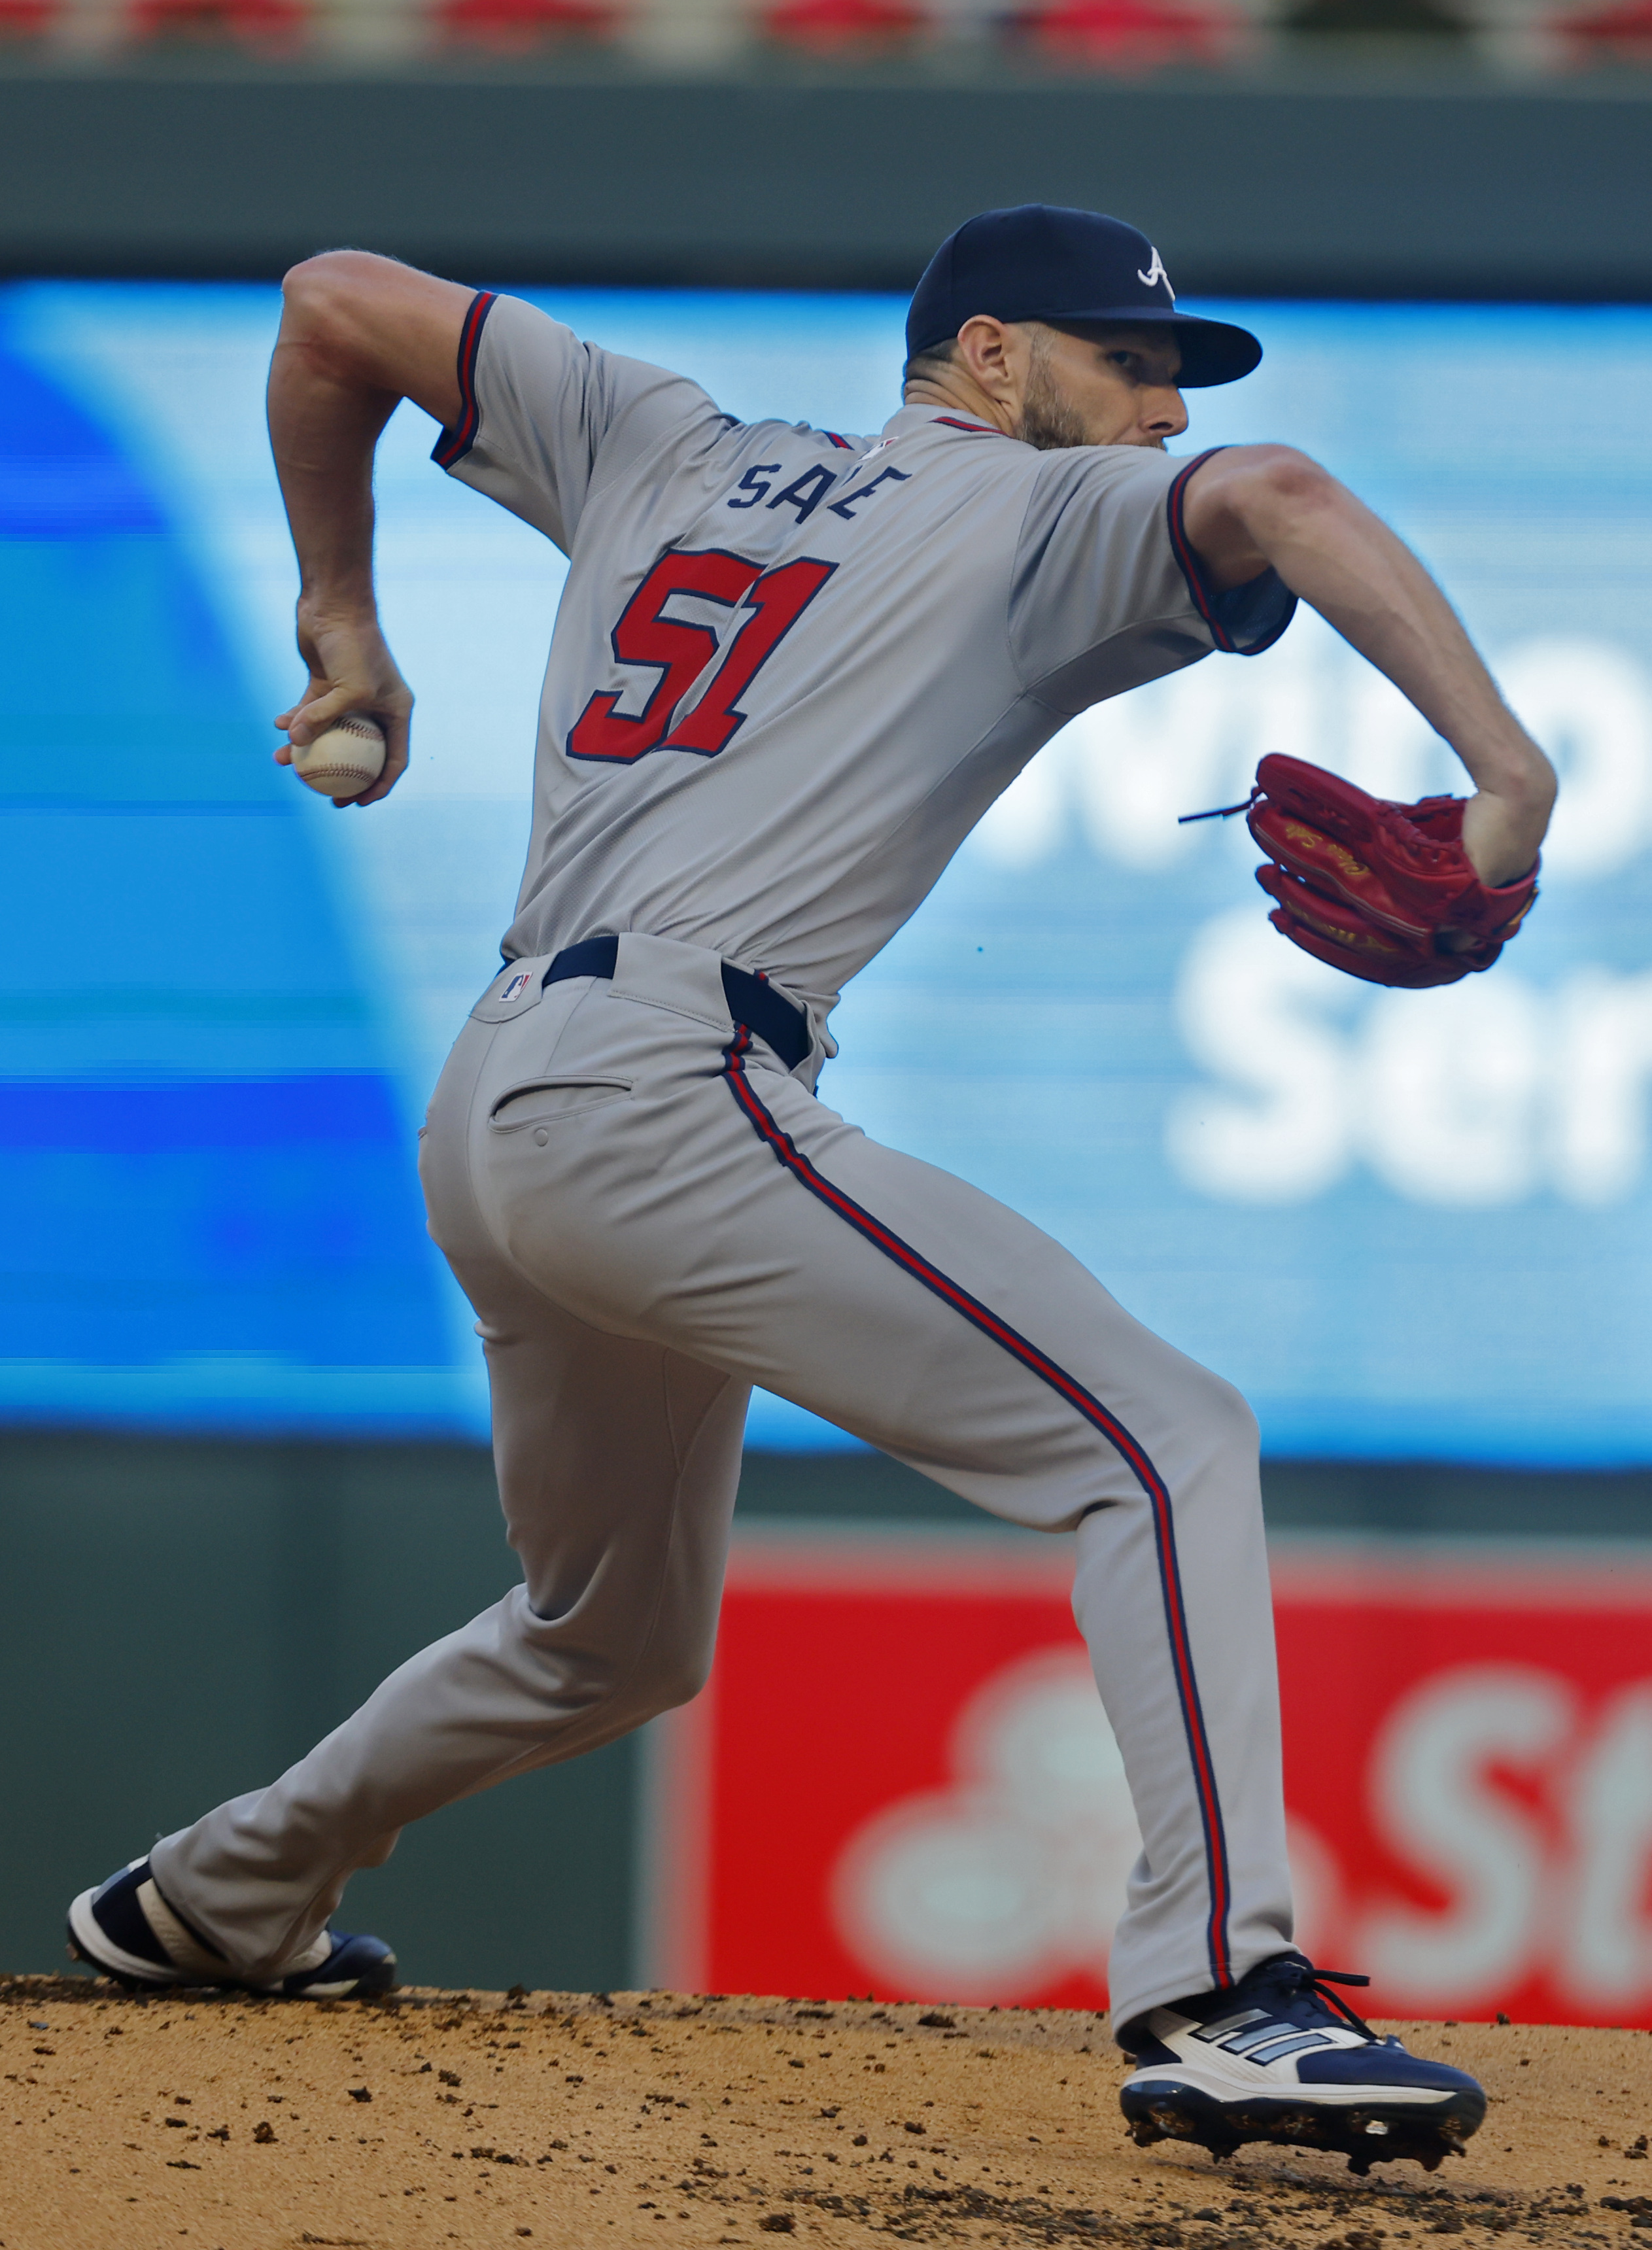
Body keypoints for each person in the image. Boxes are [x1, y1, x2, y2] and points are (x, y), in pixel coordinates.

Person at [68, 206, 1553, 2167]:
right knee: (1165, 1437)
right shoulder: (1038, 514)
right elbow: (1280, 493)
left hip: (500, 1101)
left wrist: (344, 624)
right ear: (995, 355)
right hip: (671, 1091)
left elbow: (331, 300)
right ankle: (1224, 2002)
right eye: (1132, 365)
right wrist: (1512, 775)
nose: (1158, 414)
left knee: (611, 1634)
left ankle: (222, 1892)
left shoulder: (663, 441)